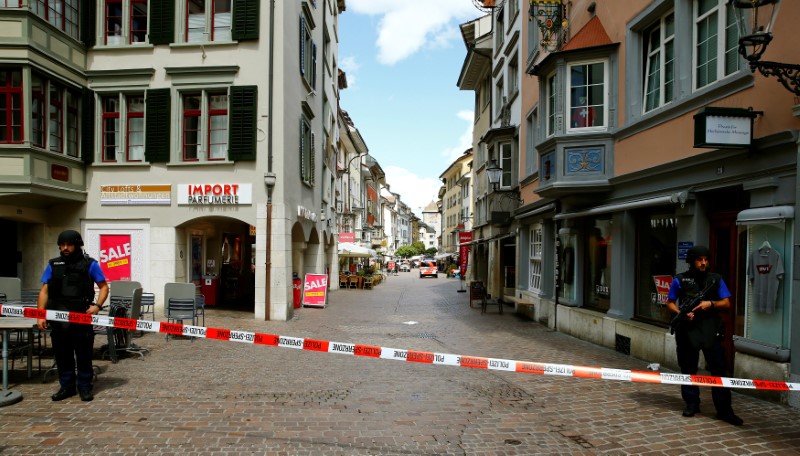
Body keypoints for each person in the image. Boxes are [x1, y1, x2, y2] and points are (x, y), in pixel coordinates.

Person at [666, 245, 742, 426]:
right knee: (688, 369)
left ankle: (724, 410)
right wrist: (682, 313)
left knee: (718, 370)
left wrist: (711, 304)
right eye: (700, 260)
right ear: (692, 261)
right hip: (687, 331)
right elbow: (669, 303)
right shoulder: (680, 280)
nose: (703, 263)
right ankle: (692, 403)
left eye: (706, 260)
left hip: (710, 330)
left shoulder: (715, 280)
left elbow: (727, 303)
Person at [37, 230, 109, 402]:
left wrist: (97, 306)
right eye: (62, 245)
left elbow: (104, 286)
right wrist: (41, 315)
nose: (65, 248)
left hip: (81, 317)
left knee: (84, 355)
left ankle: (85, 387)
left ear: (77, 245)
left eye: (69, 245)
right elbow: (44, 291)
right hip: (59, 319)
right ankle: (67, 387)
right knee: (62, 355)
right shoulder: (53, 265)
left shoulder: (89, 264)